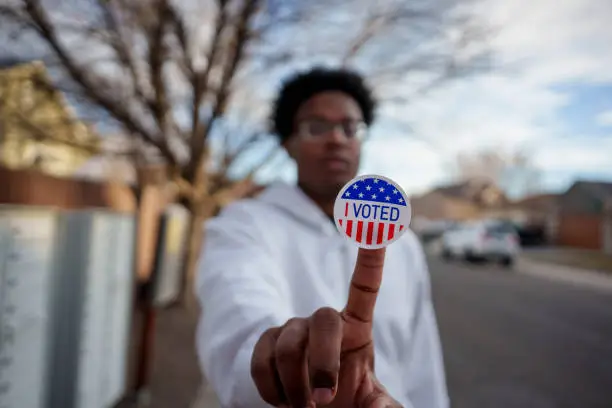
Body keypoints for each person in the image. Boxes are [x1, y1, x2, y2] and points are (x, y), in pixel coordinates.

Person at [195, 67, 449, 408]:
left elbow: (422, 364)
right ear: (289, 144)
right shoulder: (244, 225)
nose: (337, 139)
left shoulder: (402, 244)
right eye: (317, 127)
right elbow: (237, 312)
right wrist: (282, 356)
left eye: (350, 128)